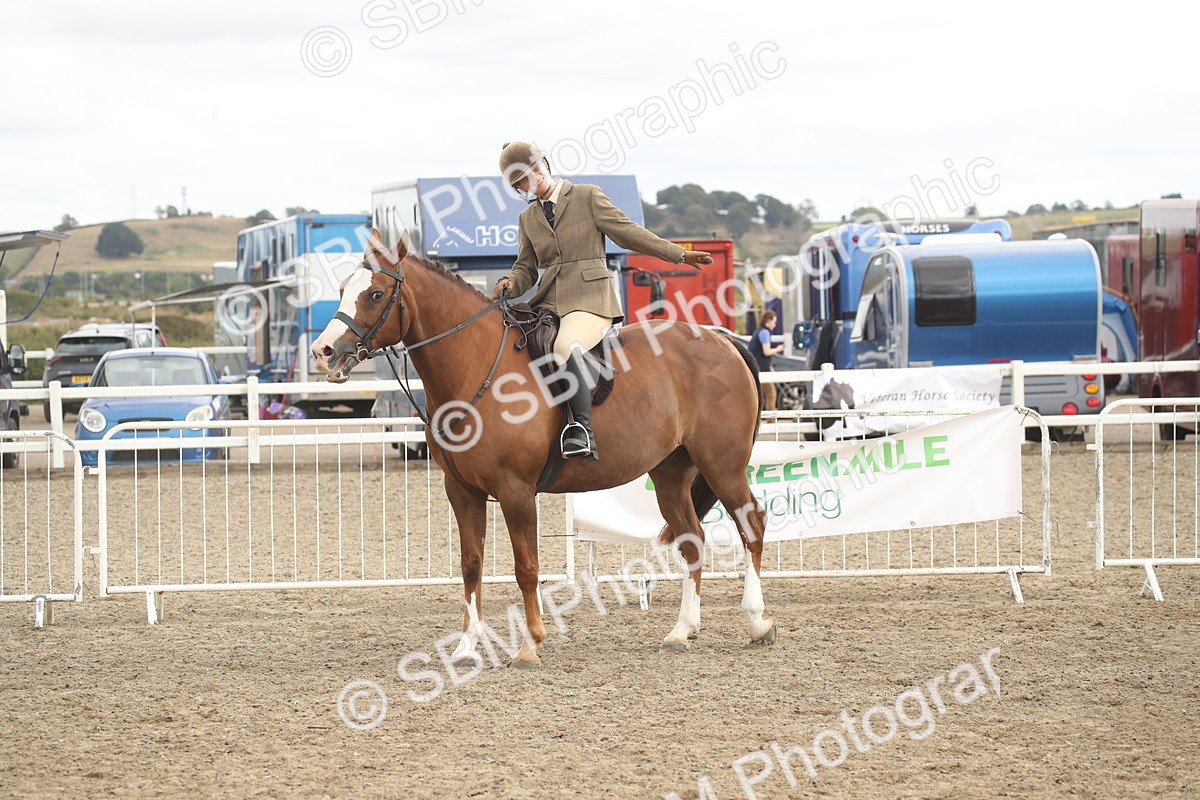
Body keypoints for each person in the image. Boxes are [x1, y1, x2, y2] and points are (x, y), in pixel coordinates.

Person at [491, 141, 713, 461]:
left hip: (591, 297)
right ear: (517, 187)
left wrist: (678, 254)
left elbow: (628, 233)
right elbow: (525, 269)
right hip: (550, 300)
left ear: (546, 165)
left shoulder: (586, 196)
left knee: (565, 346)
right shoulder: (528, 219)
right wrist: (510, 284)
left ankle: (581, 429)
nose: (532, 180)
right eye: (522, 180)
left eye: (534, 171)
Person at [750, 309, 784, 410]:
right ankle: (771, 419)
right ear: (768, 320)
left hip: (759, 368)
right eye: (774, 322)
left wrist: (770, 368)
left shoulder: (759, 331)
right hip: (761, 370)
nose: (775, 325)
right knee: (771, 394)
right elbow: (766, 352)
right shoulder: (765, 332)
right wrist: (778, 349)